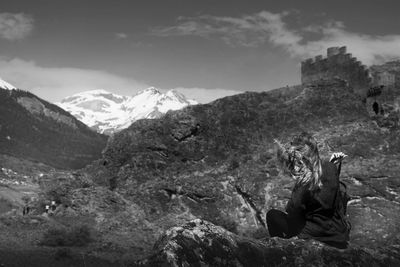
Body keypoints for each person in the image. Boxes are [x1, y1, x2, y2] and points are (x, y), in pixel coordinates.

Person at [267, 132, 351, 249]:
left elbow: (293, 214)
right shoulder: (331, 168)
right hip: (337, 234)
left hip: (313, 235)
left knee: (272, 215)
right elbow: (328, 188)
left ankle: (280, 250)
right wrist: (332, 164)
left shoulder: (303, 183)